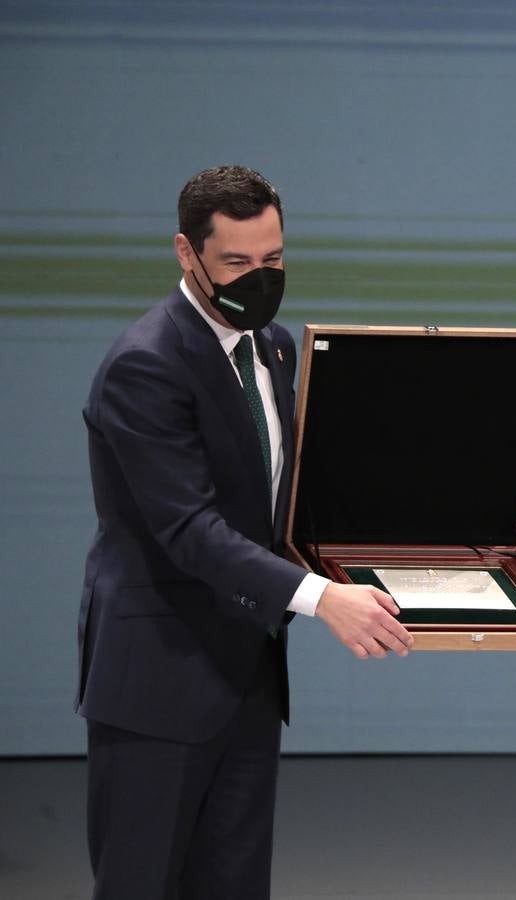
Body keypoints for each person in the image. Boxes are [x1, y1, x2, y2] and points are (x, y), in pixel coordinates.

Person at [77, 165, 415, 900]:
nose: (259, 280)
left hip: (249, 675)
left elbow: (281, 505)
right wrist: (323, 598)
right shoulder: (145, 365)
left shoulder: (276, 348)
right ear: (185, 254)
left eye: (273, 260)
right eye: (236, 263)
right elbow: (190, 529)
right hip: (158, 680)